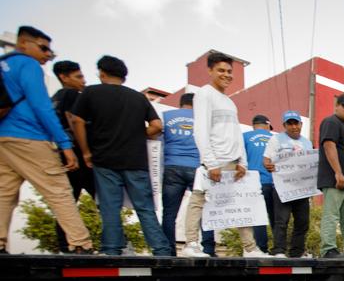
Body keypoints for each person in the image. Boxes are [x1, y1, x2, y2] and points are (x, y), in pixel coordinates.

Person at [0, 26, 93, 254]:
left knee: (4, 191)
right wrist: (64, 144)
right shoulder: (27, 64)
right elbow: (41, 105)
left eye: (50, 51)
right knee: (58, 190)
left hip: (4, 138)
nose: (46, 55)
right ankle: (80, 242)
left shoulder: (4, 65)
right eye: (43, 48)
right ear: (23, 43)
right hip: (29, 136)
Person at [69, 55, 172, 256]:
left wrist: (86, 152)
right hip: (136, 160)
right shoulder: (138, 97)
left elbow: (77, 121)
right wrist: (136, 134)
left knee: (110, 207)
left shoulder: (91, 92)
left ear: (102, 73)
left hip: (104, 159)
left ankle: (112, 249)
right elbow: (157, 126)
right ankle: (161, 250)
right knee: (145, 208)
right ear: (124, 76)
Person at [182, 52, 264, 257]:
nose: (226, 75)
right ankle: (191, 244)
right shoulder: (204, 94)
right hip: (215, 162)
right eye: (221, 70)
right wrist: (211, 163)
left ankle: (250, 248)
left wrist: (243, 162)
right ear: (210, 71)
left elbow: (236, 133)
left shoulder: (229, 101)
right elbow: (200, 130)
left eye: (229, 71)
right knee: (198, 200)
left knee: (240, 205)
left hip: (233, 163)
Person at [160, 93, 216, 255]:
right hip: (197, 168)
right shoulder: (203, 120)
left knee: (170, 212)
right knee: (203, 209)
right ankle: (209, 248)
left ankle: (168, 251)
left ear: (181, 104)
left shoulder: (167, 117)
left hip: (172, 167)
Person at [49, 60, 96, 253]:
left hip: (63, 155)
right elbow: (73, 119)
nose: (83, 81)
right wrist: (84, 151)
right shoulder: (71, 94)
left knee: (67, 201)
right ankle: (117, 241)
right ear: (64, 77)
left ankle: (64, 245)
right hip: (76, 155)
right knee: (104, 199)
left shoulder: (56, 97)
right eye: (79, 76)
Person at [262, 111, 313, 258]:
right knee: (282, 220)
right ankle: (279, 250)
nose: (293, 126)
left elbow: (311, 164)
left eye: (296, 123)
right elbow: (266, 160)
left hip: (302, 188)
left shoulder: (307, 142)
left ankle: (297, 251)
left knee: (303, 222)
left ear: (301, 124)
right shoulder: (276, 140)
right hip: (282, 187)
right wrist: (268, 165)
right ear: (284, 125)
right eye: (290, 123)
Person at [317, 94, 344, 259]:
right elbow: (329, 145)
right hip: (335, 179)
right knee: (332, 214)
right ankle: (328, 249)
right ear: (336, 105)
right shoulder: (331, 122)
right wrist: (338, 172)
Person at [242, 114, 275, 253]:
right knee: (275, 217)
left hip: (252, 183)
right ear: (267, 125)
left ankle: (261, 248)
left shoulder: (245, 136)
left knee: (257, 217)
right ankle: (280, 248)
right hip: (273, 183)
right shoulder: (275, 138)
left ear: (253, 125)